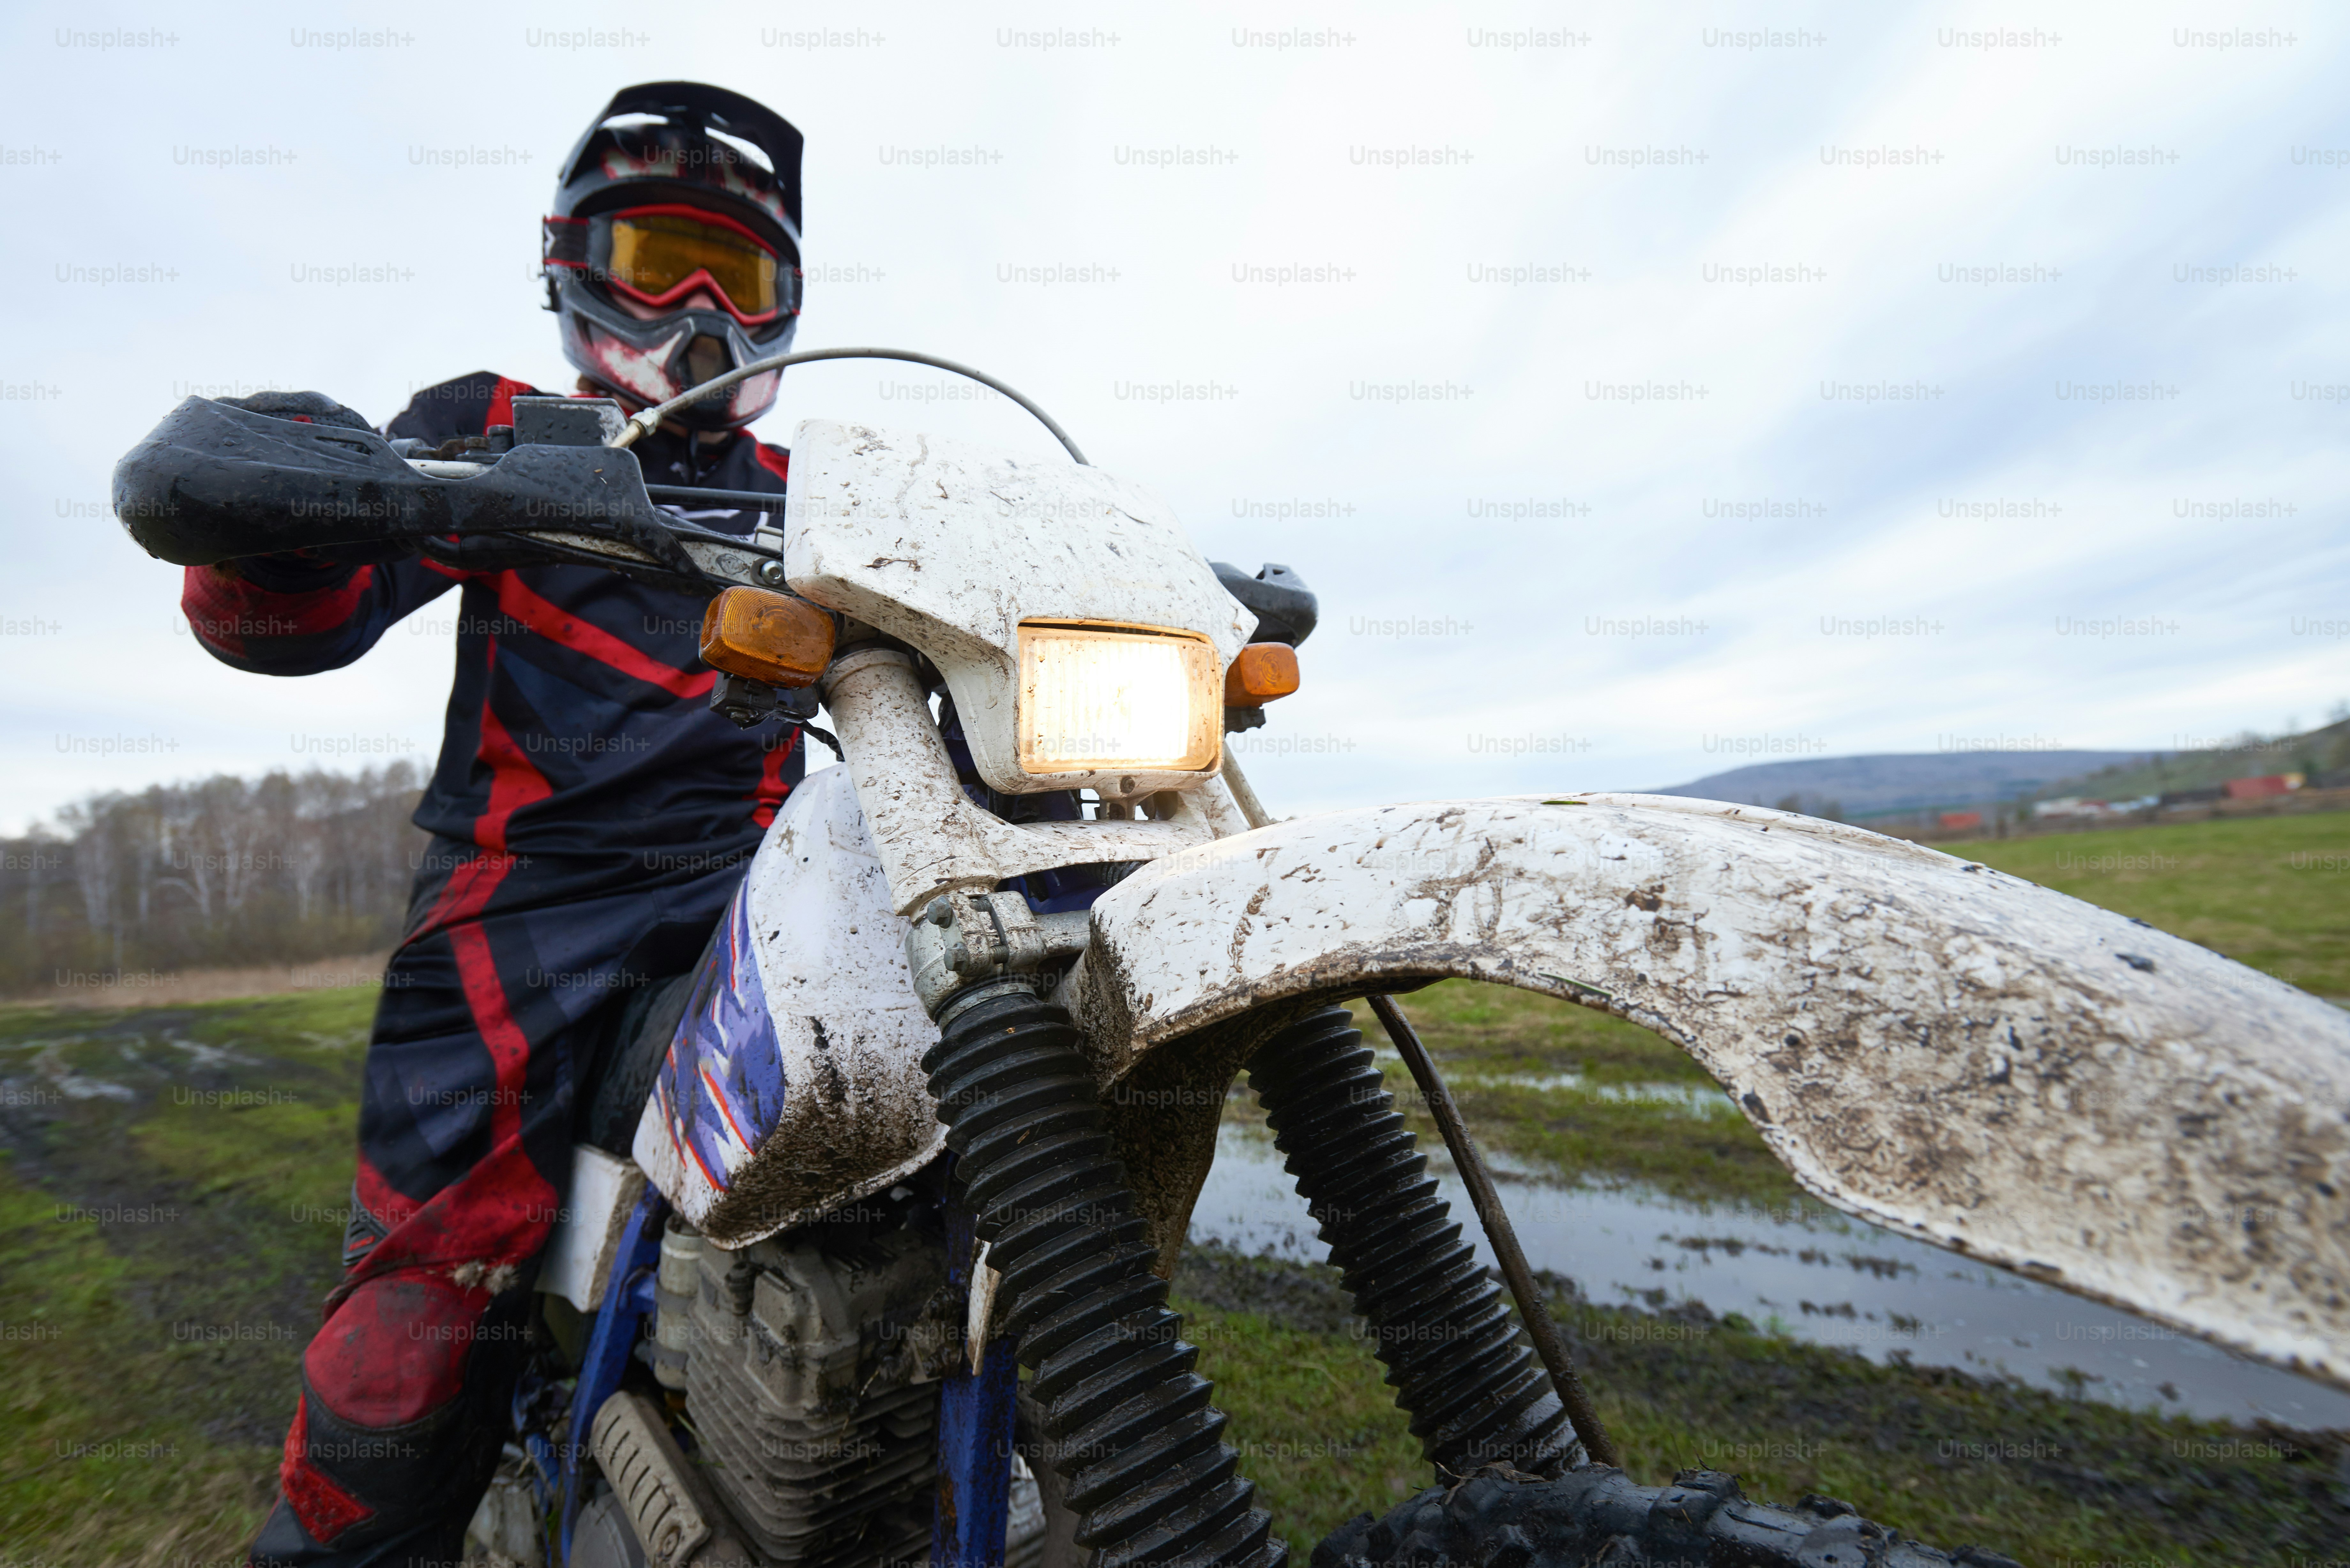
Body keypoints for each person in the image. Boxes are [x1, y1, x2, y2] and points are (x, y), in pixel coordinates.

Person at [171, 83, 812, 1566]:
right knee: (413, 1327)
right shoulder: (503, 432)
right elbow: (304, 616)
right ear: (579, 265)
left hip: (769, 902)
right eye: (664, 261)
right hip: (525, 916)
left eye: (745, 276)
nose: (706, 305)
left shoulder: (823, 495)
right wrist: (283, 504)